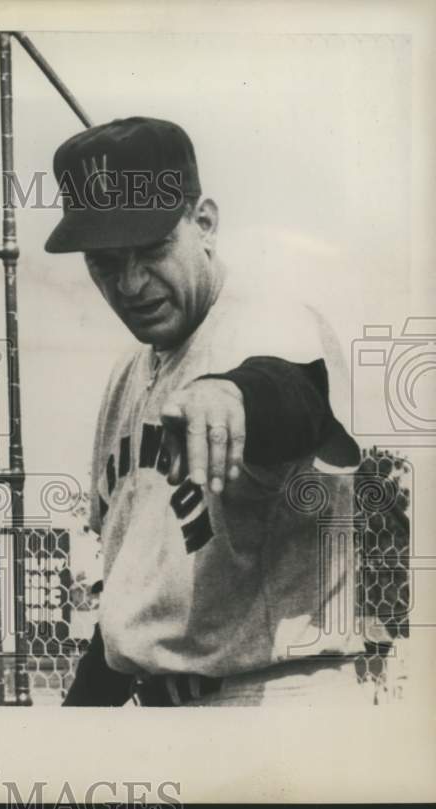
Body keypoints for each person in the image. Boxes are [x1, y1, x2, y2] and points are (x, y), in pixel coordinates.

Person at [46, 117, 371, 706]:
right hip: (170, 713)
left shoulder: (269, 318)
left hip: (274, 703)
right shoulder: (130, 373)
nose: (131, 283)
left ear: (204, 223)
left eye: (151, 250)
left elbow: (293, 394)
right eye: (105, 261)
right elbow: (138, 605)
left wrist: (232, 393)